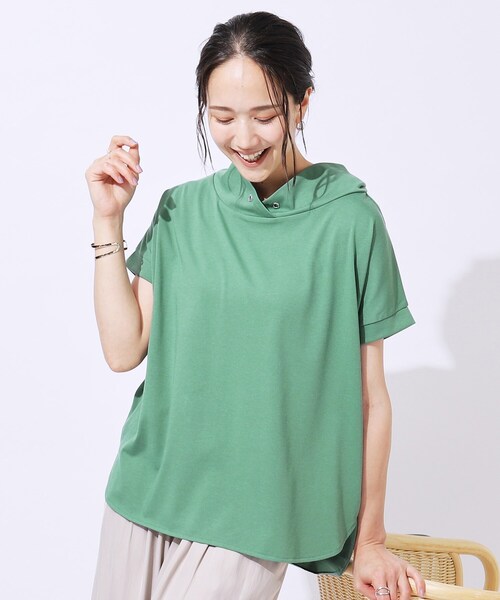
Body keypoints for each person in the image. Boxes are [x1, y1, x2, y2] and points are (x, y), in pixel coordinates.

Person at [85, 11, 426, 600]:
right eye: (222, 118)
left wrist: (370, 539)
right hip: (145, 491)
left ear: (301, 103)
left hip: (257, 513)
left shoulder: (350, 221)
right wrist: (108, 219)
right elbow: (123, 350)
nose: (243, 139)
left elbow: (371, 399)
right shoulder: (182, 209)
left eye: (264, 116)